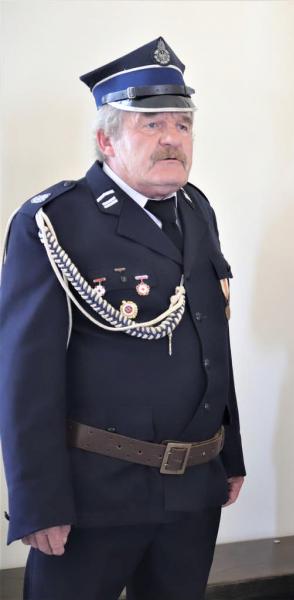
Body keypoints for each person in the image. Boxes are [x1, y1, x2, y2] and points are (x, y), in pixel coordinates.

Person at [0, 37, 245, 600]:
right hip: (96, 495)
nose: (172, 138)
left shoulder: (197, 209)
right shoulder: (56, 222)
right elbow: (25, 375)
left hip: (193, 490)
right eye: (151, 124)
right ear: (106, 140)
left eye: (182, 124)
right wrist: (38, 501)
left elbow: (212, 339)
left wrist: (229, 453)